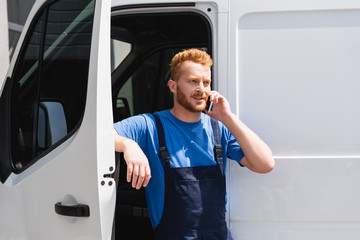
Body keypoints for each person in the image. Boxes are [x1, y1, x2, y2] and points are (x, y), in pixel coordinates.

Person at [114, 48, 274, 239]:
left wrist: (228, 118)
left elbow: (265, 164)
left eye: (206, 83)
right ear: (173, 86)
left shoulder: (219, 129)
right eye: (193, 81)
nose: (201, 89)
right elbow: (100, 135)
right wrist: (128, 145)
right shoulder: (149, 126)